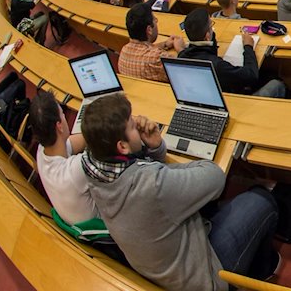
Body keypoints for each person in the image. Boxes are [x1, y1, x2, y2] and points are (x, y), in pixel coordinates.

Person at [81, 93, 280, 288]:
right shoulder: (152, 184)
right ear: (122, 146)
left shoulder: (94, 167)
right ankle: (261, 271)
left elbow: (150, 176)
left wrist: (154, 147)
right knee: (261, 199)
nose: (137, 121)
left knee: (207, 202)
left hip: (165, 267)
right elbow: (215, 177)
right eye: (132, 125)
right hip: (204, 277)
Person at [30, 91, 100, 231]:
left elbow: (79, 140)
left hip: (79, 223)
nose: (64, 117)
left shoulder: (42, 152)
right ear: (59, 126)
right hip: (103, 224)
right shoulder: (76, 170)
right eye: (62, 114)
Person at [178, 8, 286, 97]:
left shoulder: (182, 56)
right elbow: (251, 76)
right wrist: (248, 46)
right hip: (233, 101)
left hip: (208, 94)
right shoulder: (217, 65)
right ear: (207, 36)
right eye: (211, 25)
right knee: (277, 84)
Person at [118, 3, 185, 82]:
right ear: (149, 30)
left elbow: (143, 50)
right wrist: (181, 50)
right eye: (154, 19)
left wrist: (165, 44)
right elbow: (186, 72)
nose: (156, 21)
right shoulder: (158, 59)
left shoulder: (124, 50)